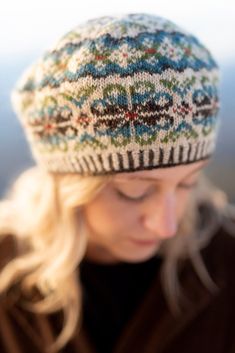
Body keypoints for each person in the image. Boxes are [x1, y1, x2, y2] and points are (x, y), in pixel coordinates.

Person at [0, 12, 235, 353]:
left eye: (187, 183)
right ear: (69, 186)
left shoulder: (225, 263)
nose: (166, 225)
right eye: (134, 193)